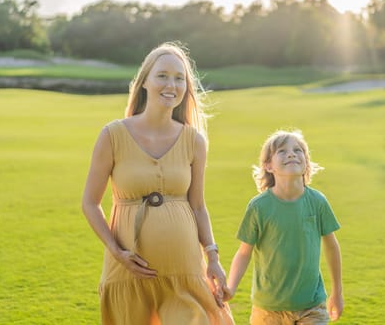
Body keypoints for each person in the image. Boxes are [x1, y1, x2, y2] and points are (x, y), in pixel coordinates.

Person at [82, 41, 234, 325]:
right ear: (145, 82)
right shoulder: (112, 135)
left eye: (180, 78)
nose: (171, 84)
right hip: (128, 274)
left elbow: (198, 206)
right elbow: (90, 203)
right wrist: (117, 252)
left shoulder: (194, 141)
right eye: (162, 75)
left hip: (185, 272)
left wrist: (212, 258)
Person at [224, 130, 344, 324]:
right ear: (268, 166)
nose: (291, 154)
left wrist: (337, 292)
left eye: (298, 150)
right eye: (282, 151)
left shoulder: (318, 202)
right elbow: (244, 252)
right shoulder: (258, 207)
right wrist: (231, 287)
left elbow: (331, 246)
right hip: (268, 310)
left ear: (306, 163)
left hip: (312, 306)